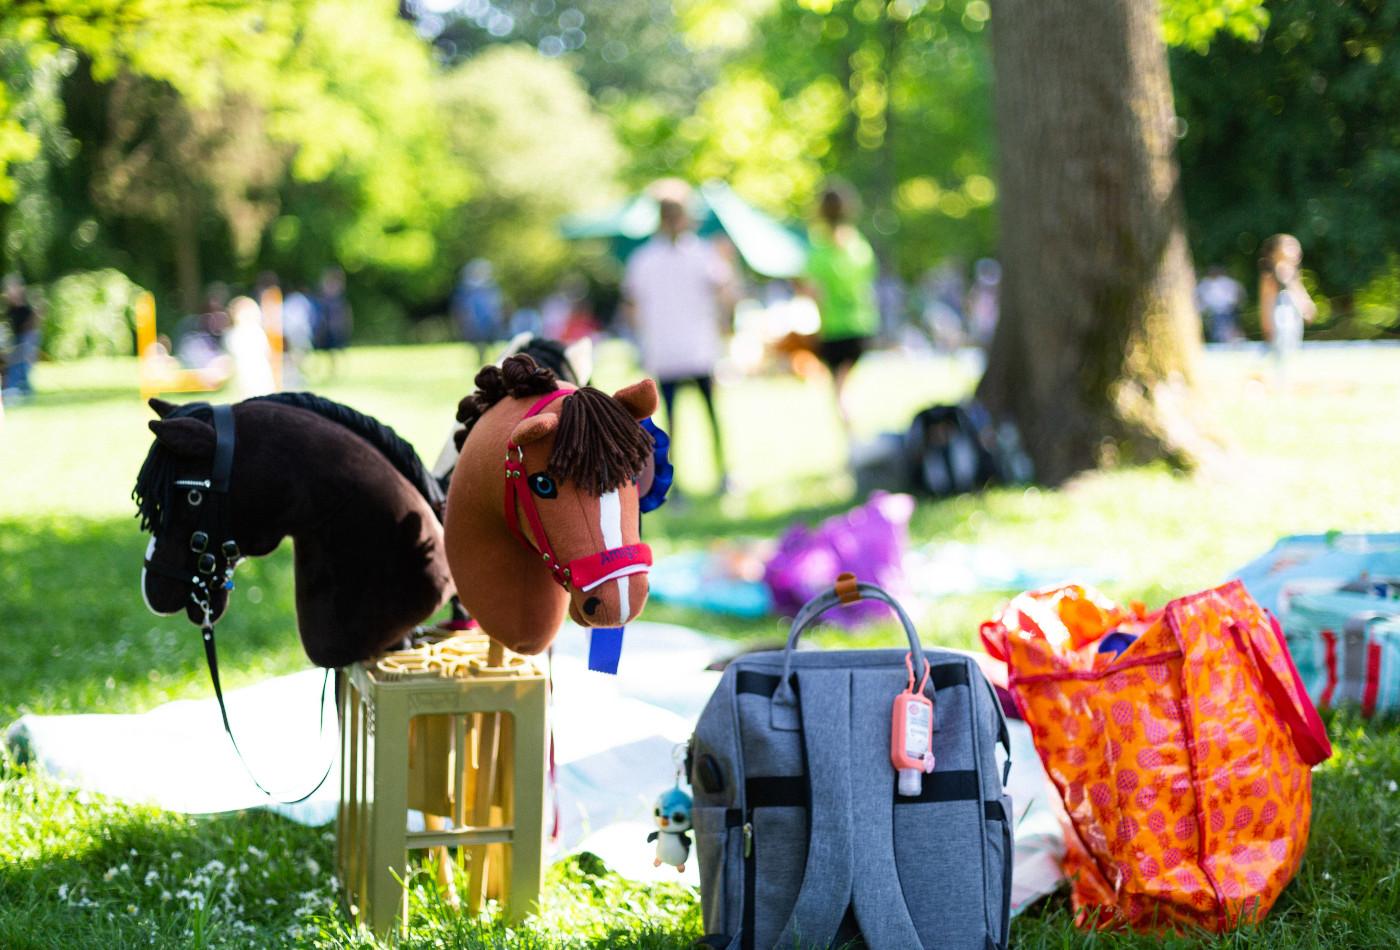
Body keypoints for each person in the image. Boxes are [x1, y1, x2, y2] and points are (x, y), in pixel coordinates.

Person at [622, 180, 736, 494]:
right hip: (694, 350)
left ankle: (679, 483)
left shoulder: (643, 259)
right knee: (707, 417)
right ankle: (721, 475)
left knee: (674, 423)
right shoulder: (701, 253)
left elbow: (631, 308)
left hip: (671, 351)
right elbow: (727, 293)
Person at [801, 184, 879, 432]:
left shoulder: (819, 250)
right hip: (862, 324)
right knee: (845, 385)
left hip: (835, 328)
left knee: (840, 391)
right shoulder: (859, 246)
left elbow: (813, 292)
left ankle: (853, 440)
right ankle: (854, 438)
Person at [1257, 234, 1316, 375]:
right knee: (1278, 352)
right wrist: (1267, 324)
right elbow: (1267, 301)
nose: (1295, 250)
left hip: (1292, 318)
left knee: (1291, 350)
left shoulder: (1293, 273)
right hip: (1279, 318)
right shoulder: (1270, 274)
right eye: (1289, 246)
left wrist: (1307, 308)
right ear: (1276, 250)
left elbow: (1299, 294)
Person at [451, 259, 503, 365]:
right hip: (475, 319)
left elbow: (496, 303)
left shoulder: (491, 286)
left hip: (488, 319)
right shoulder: (466, 288)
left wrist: (497, 315)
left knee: (491, 341)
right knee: (478, 342)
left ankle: (494, 360)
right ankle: (480, 360)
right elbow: (462, 305)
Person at [2, 274, 40, 400]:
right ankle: (22, 389)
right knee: (16, 363)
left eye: (13, 288)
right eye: (8, 290)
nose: (10, 292)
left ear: (20, 289)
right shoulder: (10, 310)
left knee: (20, 363)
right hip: (18, 341)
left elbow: (32, 329)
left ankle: (19, 389)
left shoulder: (26, 308)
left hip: (28, 339)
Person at [315, 267, 353, 374]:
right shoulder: (328, 296)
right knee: (327, 350)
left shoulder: (337, 298)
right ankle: (329, 370)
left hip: (334, 326)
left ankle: (335, 370)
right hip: (327, 326)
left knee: (336, 350)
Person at [1196, 265, 1246, 343]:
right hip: (1215, 312)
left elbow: (1237, 294)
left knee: (1228, 328)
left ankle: (1233, 342)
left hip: (1227, 311)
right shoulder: (1207, 283)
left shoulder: (1226, 282)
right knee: (1219, 329)